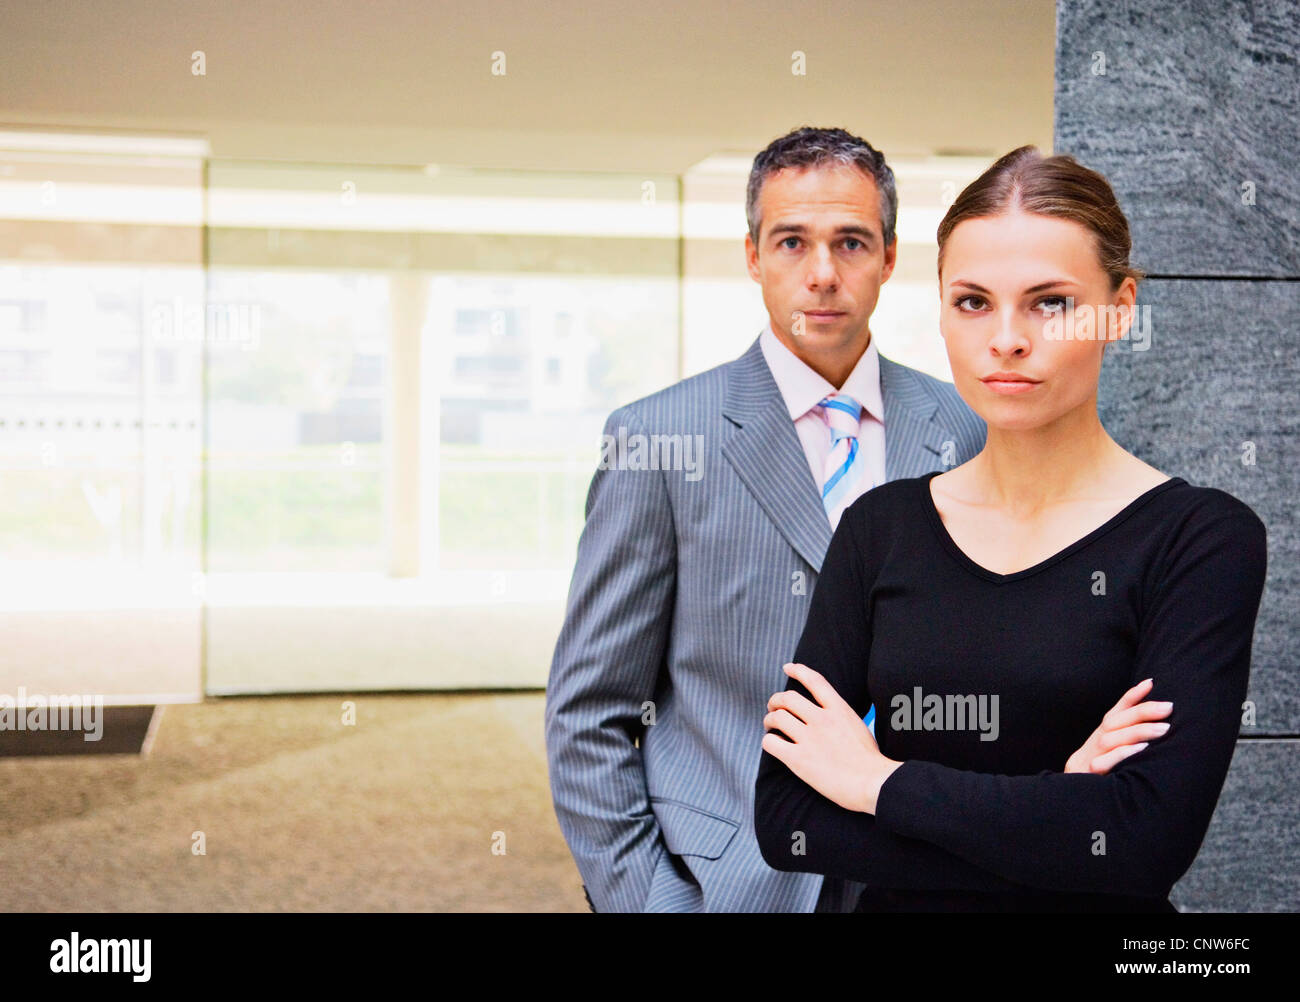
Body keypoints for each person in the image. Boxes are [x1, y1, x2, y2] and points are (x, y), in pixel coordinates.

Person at [753, 145, 1269, 912]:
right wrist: (1055, 803)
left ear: (1120, 309)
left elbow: (1143, 842)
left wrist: (874, 781)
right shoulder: (881, 529)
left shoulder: (1200, 540)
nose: (1006, 339)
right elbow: (789, 823)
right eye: (972, 302)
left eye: (1049, 302)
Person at [543, 126, 990, 912]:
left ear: (890, 259)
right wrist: (650, 901)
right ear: (752, 256)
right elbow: (590, 713)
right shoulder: (659, 439)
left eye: (851, 243)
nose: (822, 275)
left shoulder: (968, 429)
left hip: (927, 871)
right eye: (792, 242)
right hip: (735, 882)